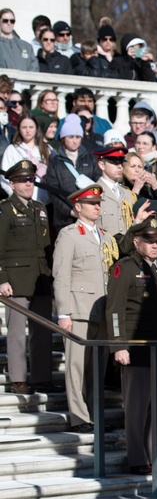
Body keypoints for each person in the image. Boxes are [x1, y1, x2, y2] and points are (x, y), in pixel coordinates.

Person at [106, 217, 157, 474]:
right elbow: (115, 310)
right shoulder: (125, 268)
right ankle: (138, 458)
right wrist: (118, 345)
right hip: (137, 348)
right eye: (150, 241)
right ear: (137, 242)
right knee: (137, 407)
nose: (155, 245)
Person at [52, 186, 119, 432]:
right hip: (79, 309)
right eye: (91, 203)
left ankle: (95, 415)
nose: (97, 207)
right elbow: (61, 274)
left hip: (101, 309)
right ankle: (80, 417)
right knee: (77, 367)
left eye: (98, 203)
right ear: (78, 207)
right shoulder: (69, 234)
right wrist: (63, 312)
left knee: (97, 368)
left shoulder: (105, 235)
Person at [0, 160, 53, 394]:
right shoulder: (5, 209)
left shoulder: (39, 208)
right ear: (12, 184)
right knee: (16, 333)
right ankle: (18, 378)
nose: (28, 184)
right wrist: (1, 279)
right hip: (16, 279)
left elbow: (47, 247)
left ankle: (41, 376)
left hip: (40, 278)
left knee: (41, 331)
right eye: (23, 180)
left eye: (31, 179)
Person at [92, 145, 136, 240]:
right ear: (102, 165)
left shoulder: (127, 193)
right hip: (105, 250)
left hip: (127, 249)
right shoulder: (93, 193)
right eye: (115, 163)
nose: (120, 167)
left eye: (121, 163)